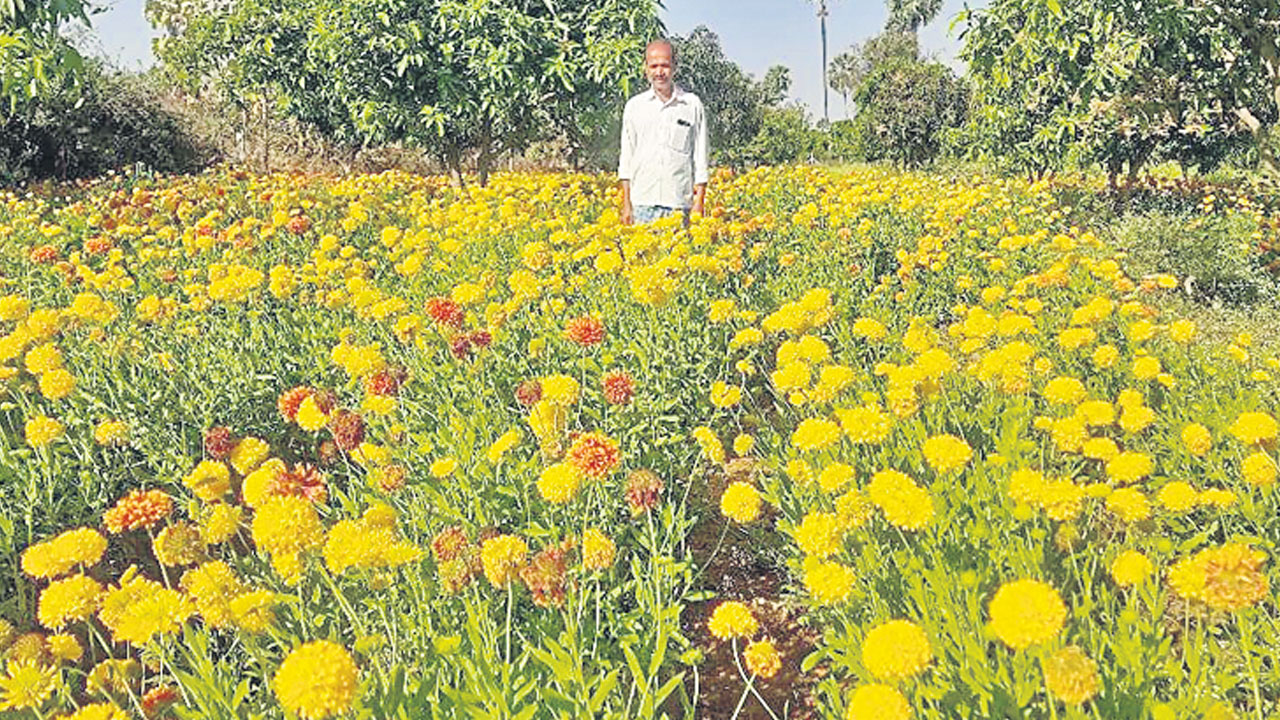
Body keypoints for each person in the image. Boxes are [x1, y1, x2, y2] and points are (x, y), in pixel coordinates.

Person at [618, 38, 709, 225]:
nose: (659, 72)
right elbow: (626, 159)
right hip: (642, 204)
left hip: (678, 204)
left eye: (665, 66)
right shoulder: (634, 106)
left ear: (674, 67)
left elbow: (701, 158)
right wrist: (626, 204)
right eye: (654, 66)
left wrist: (699, 202)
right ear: (646, 68)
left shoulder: (692, 104)